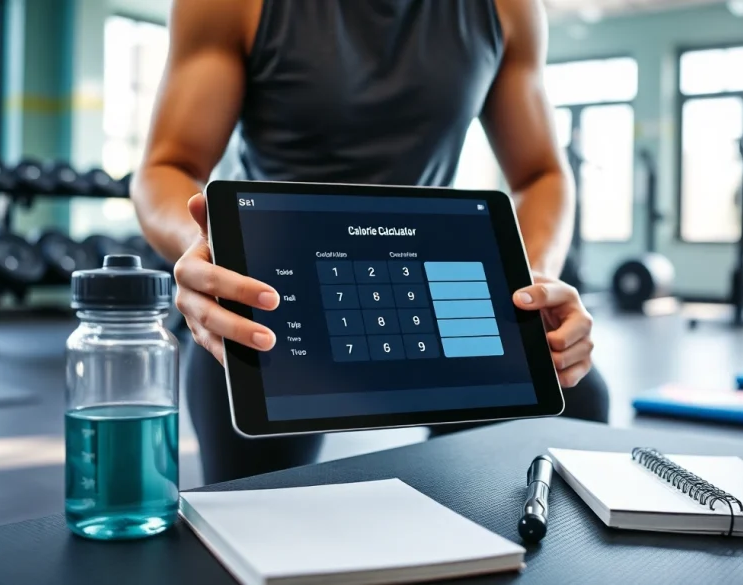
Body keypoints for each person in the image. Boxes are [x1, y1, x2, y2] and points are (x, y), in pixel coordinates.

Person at [131, 0, 609, 485]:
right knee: (249, 505)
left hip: (421, 280)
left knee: (575, 402)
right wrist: (210, 254)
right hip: (270, 289)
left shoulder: (508, 8)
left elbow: (540, 173)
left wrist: (529, 286)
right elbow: (168, 166)